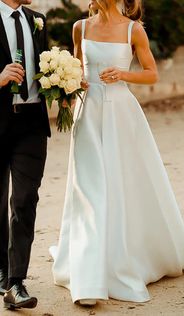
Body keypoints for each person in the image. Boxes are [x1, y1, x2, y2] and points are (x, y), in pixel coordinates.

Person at [50, 0, 184, 306]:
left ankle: (123, 261)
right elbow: (74, 69)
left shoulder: (133, 30)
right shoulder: (80, 27)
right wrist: (70, 91)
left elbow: (152, 73)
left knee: (120, 184)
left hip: (122, 117)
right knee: (88, 189)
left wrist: (124, 75)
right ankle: (88, 279)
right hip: (86, 116)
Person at [0, 0, 50, 310]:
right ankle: (3, 273)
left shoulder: (38, 19)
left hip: (32, 124)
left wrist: (61, 84)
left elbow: (45, 68)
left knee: (25, 199)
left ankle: (16, 281)